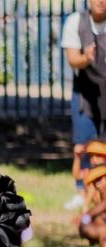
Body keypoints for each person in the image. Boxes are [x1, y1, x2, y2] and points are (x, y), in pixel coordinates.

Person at [61, 0, 106, 210]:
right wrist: (86, 58)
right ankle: (81, 191)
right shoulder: (75, 22)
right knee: (83, 147)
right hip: (85, 94)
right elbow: (72, 59)